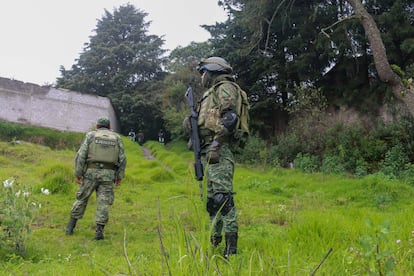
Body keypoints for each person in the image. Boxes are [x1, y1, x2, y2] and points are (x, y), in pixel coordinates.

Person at [195, 56, 244, 258]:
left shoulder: (225, 87)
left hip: (219, 150)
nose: (202, 77)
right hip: (209, 151)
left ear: (213, 70)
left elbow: (230, 118)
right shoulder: (209, 93)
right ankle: (215, 243)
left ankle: (231, 250)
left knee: (223, 199)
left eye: (203, 72)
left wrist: (216, 144)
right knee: (213, 202)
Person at [65, 116, 127, 240]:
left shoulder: (91, 136)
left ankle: (70, 228)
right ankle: (99, 232)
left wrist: (78, 173)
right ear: (110, 127)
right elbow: (123, 159)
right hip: (108, 174)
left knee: (82, 198)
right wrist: (119, 176)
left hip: (90, 173)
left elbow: (81, 155)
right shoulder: (116, 138)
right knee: (103, 203)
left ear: (97, 126)